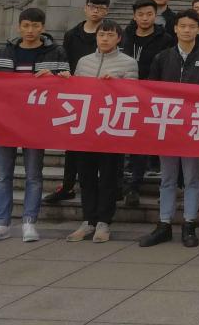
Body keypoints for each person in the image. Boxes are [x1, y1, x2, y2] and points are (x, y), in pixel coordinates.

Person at [139, 10, 199, 249]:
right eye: (182, 26)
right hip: (168, 125)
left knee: (192, 177)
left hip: (195, 126)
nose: (186, 30)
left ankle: (189, 224)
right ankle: (164, 224)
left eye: (191, 26)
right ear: (175, 29)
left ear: (198, 29)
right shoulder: (162, 57)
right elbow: (150, 90)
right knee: (167, 178)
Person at [0, 7, 70, 243]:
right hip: (5, 123)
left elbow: (67, 85)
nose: (30, 30)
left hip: (36, 123)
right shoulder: (5, 51)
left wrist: (55, 78)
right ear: (19, 27)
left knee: (33, 175)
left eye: (35, 26)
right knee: (2, 175)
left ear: (43, 27)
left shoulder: (56, 52)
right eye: (26, 25)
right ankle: (1, 223)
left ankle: (29, 222)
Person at [68, 20, 139, 243]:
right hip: (86, 127)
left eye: (110, 35)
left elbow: (133, 94)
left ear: (119, 38)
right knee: (86, 176)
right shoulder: (84, 61)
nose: (105, 39)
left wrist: (116, 84)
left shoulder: (128, 63)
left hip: (111, 128)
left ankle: (104, 222)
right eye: (101, 35)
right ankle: (88, 220)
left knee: (108, 177)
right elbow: (74, 90)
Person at [45, 0, 110, 206]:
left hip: (102, 96)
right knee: (72, 143)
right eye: (92, 6)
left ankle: (103, 187)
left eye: (101, 8)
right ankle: (67, 185)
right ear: (85, 7)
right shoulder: (72, 34)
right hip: (76, 95)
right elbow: (65, 61)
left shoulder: (109, 33)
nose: (96, 11)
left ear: (107, 11)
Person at [121, 0, 174, 207]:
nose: (145, 18)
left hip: (151, 96)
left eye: (149, 14)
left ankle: (134, 185)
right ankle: (120, 183)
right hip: (124, 95)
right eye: (141, 14)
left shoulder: (165, 39)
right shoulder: (124, 36)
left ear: (155, 15)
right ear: (134, 16)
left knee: (141, 141)